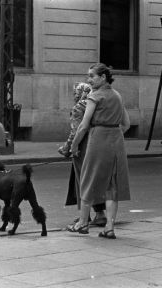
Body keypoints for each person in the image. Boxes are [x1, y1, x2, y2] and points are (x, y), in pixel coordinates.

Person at [67, 63, 131, 239]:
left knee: (87, 179)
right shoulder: (118, 96)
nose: (89, 79)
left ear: (103, 77)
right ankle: (109, 227)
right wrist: (113, 133)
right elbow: (126, 124)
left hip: (98, 139)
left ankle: (82, 223)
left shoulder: (94, 96)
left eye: (92, 76)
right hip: (116, 140)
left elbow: (83, 126)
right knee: (112, 185)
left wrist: (74, 146)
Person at [59, 82, 107, 227]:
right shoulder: (97, 105)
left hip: (82, 148)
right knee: (96, 181)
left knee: (83, 182)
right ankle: (100, 214)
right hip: (98, 146)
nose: (74, 96)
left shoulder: (79, 107)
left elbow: (77, 131)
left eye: (75, 93)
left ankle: (85, 219)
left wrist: (67, 148)